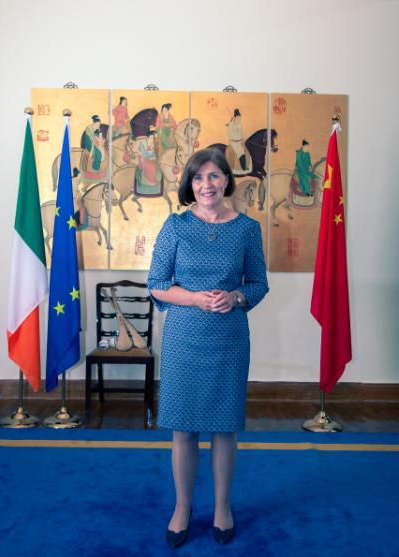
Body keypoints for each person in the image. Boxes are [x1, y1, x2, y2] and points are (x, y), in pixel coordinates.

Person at [147, 148, 269, 548]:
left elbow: (258, 284)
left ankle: (221, 507)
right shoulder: (175, 226)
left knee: (224, 427)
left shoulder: (248, 229)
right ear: (190, 184)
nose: (206, 185)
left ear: (226, 181)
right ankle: (182, 509)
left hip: (229, 337)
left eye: (214, 176)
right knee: (182, 428)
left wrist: (235, 298)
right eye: (199, 178)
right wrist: (197, 299)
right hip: (184, 337)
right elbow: (157, 284)